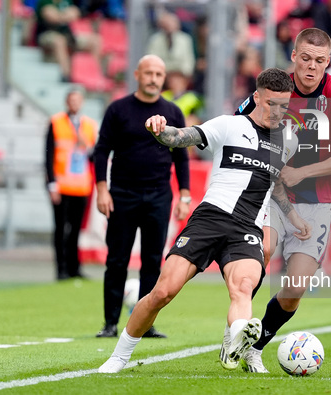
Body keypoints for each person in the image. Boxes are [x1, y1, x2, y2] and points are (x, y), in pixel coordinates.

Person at [98, 67, 310, 374]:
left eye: (283, 105)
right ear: (256, 98)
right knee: (163, 292)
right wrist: (160, 129)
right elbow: (182, 137)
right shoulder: (229, 126)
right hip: (209, 218)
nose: (277, 111)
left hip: (246, 228)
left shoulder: (288, 141)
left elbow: (274, 183)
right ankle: (119, 356)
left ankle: (235, 339)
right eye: (270, 104)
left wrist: (290, 214)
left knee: (244, 286)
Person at [232, 28, 331, 373]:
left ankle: (254, 346)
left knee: (295, 288)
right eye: (305, 58)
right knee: (261, 250)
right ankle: (237, 325)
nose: (311, 67)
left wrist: (304, 172)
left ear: (328, 62)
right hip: (271, 196)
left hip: (316, 201)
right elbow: (237, 126)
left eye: (319, 61)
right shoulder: (276, 87)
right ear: (294, 56)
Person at [93, 55, 191, 339]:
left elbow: (182, 157)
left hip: (159, 195)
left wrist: (184, 195)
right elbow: (101, 151)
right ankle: (110, 323)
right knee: (117, 260)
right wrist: (101, 188)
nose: (153, 78)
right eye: (148, 73)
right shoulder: (118, 109)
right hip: (122, 194)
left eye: (159, 74)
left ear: (164, 78)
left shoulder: (172, 111)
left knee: (152, 260)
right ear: (137, 74)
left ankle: (145, 324)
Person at [45, 89, 98, 280]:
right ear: (67, 102)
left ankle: (75, 268)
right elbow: (48, 154)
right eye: (71, 100)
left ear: (82, 102)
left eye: (78, 100)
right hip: (61, 185)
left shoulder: (89, 125)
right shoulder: (56, 122)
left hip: (81, 185)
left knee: (75, 229)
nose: (74, 103)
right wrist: (52, 184)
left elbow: (93, 156)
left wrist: (88, 147)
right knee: (60, 229)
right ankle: (61, 269)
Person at [35, 0, 101, 82]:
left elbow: (75, 13)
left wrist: (61, 15)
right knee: (59, 40)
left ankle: (93, 73)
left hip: (67, 35)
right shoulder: (45, 2)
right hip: (47, 35)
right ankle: (66, 75)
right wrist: (66, 15)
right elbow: (51, 17)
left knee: (95, 40)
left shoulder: (67, 1)